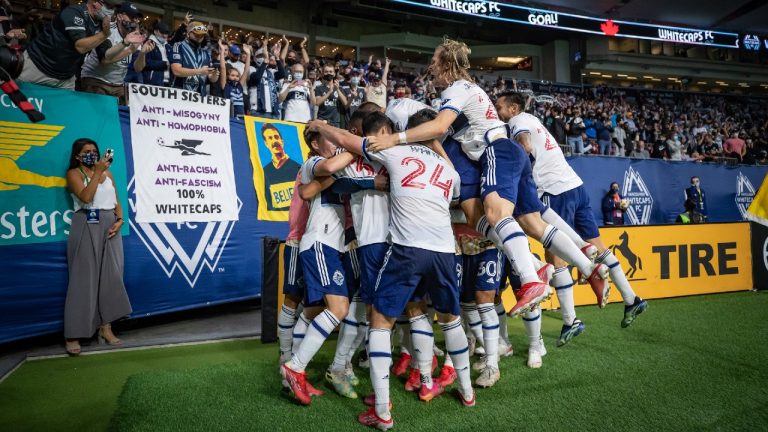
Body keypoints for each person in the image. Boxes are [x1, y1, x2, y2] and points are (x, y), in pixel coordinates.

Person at [367, 38, 607, 318]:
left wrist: (395, 139)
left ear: (446, 64)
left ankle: (531, 279)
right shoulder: (457, 93)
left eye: (435, 59)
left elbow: (440, 125)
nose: (431, 65)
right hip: (504, 153)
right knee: (530, 220)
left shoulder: (457, 89)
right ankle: (589, 268)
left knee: (495, 213)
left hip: (496, 151)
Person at [496, 92, 647, 338]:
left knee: (555, 255)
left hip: (555, 190)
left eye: (500, 106)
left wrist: (522, 175)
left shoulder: (517, 122)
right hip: (575, 185)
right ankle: (631, 298)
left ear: (513, 109)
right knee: (597, 246)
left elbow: (525, 145)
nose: (497, 110)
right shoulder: (532, 119)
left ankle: (570, 320)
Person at [280, 130, 356, 406]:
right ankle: (293, 366)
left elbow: (311, 189)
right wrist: (355, 148)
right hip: (320, 243)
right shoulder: (312, 163)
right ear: (315, 144)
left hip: (331, 246)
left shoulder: (335, 170)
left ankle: (295, 369)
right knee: (338, 309)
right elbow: (328, 169)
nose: (337, 144)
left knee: (319, 310)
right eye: (332, 139)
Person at [64, 138, 131, 356]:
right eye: (86, 151)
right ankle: (73, 333)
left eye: (94, 151)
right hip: (86, 224)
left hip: (110, 227)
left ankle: (106, 328)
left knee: (112, 278)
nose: (92, 154)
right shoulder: (74, 174)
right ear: (77, 156)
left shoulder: (109, 175)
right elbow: (85, 197)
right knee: (84, 279)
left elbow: (117, 202)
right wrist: (97, 172)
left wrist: (119, 220)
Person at [18, 0, 114, 89]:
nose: (112, 11)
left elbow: (106, 55)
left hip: (65, 78)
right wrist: (104, 34)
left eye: (113, 7)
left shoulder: (102, 24)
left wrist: (126, 44)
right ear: (95, 2)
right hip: (37, 66)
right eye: (109, 6)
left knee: (64, 107)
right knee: (14, 99)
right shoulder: (74, 12)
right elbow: (80, 46)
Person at [80, 2, 146, 105]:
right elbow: (104, 60)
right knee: (98, 113)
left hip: (118, 85)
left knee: (121, 114)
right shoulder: (107, 29)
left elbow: (138, 68)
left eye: (137, 18)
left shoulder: (135, 34)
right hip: (95, 80)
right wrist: (128, 47)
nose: (135, 21)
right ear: (120, 16)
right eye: (132, 17)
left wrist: (142, 53)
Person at [260, 124, 302, 211]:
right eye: (270, 138)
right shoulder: (264, 172)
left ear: (282, 141)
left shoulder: (298, 168)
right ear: (266, 144)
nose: (275, 141)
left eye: (276, 137)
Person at [169, 21, 216, 95]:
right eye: (196, 35)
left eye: (202, 36)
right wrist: (199, 71)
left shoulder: (205, 53)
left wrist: (214, 76)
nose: (199, 38)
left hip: (199, 97)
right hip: (179, 94)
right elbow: (176, 70)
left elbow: (211, 78)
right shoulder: (178, 46)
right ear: (188, 33)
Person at [248, 40, 287, 119]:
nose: (263, 58)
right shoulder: (251, 69)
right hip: (257, 112)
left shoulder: (271, 72)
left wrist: (277, 57)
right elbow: (257, 78)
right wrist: (265, 62)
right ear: (255, 58)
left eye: (264, 56)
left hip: (273, 112)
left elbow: (283, 74)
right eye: (260, 56)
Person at [217, 39, 250, 118]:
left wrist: (248, 54)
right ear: (228, 76)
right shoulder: (225, 86)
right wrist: (222, 51)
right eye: (232, 75)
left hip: (241, 117)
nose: (235, 78)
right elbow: (223, 68)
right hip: (228, 117)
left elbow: (246, 70)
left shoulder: (239, 86)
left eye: (237, 76)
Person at [133, 21, 171, 87]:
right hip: (153, 83)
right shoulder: (148, 43)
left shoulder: (168, 46)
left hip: (168, 83)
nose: (164, 35)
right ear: (155, 31)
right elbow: (146, 63)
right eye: (162, 32)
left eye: (166, 33)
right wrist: (165, 64)